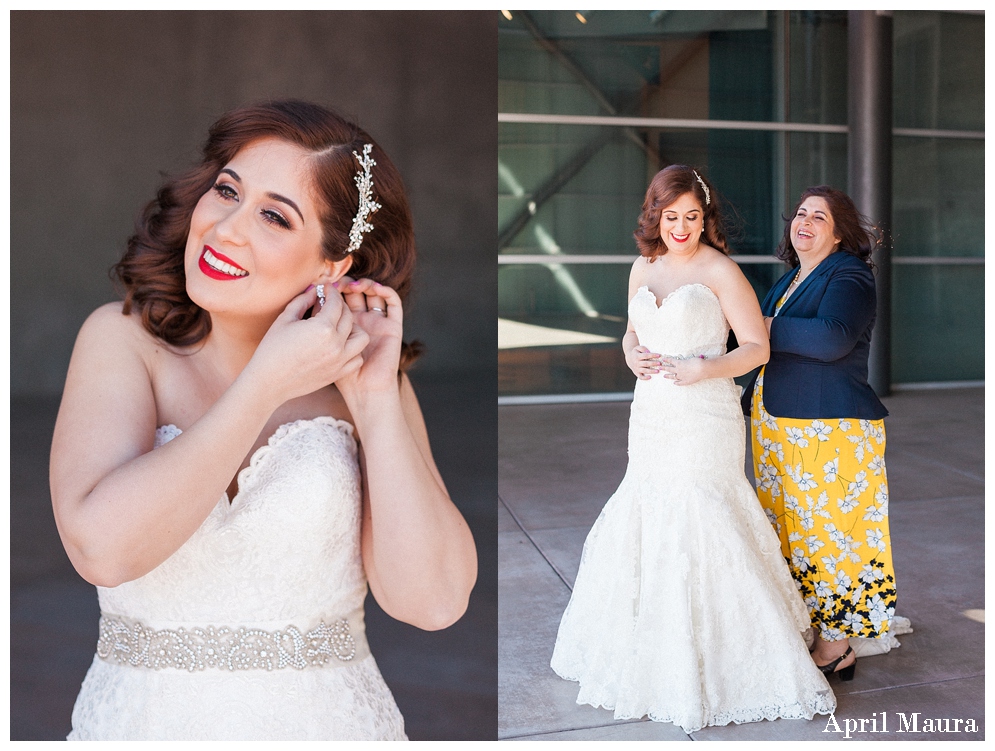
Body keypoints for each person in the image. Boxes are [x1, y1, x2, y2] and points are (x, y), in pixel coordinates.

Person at [50, 100, 477, 741]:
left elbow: (433, 602)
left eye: (274, 216)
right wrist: (263, 384)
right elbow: (101, 552)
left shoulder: (371, 383)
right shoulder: (121, 340)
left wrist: (376, 400)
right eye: (227, 190)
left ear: (334, 266)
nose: (225, 228)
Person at [550, 165, 835, 733]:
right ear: (655, 216)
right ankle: (649, 653)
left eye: (692, 217)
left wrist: (704, 367)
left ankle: (735, 660)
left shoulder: (721, 270)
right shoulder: (642, 265)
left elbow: (756, 349)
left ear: (706, 218)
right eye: (671, 217)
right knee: (648, 508)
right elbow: (631, 331)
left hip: (704, 416)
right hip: (651, 414)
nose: (681, 228)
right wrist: (630, 352)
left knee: (704, 517)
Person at [745, 186, 897, 683]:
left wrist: (763, 325)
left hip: (829, 433)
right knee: (792, 535)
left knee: (832, 538)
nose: (805, 222)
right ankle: (811, 625)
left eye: (820, 216)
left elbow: (832, 338)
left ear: (839, 232)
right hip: (781, 428)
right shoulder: (790, 280)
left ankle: (837, 646)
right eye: (801, 213)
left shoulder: (849, 275)